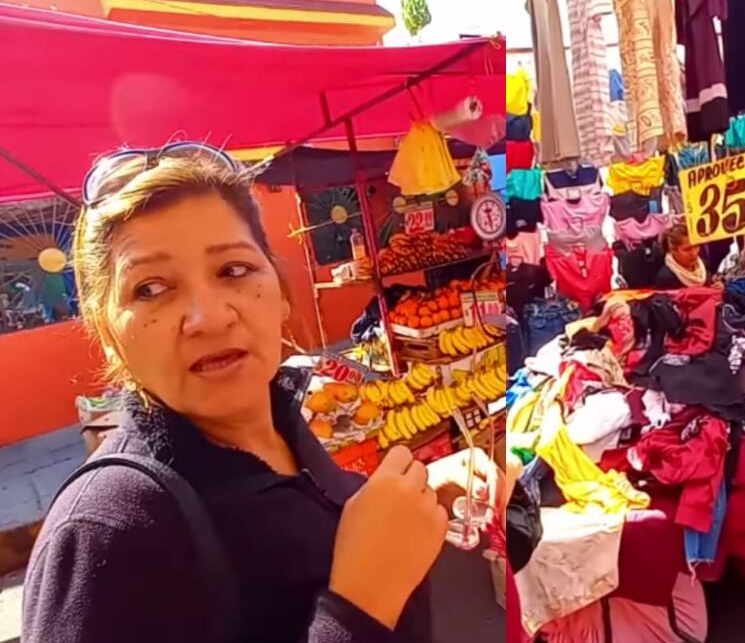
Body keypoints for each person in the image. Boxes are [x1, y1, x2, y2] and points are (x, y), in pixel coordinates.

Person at [22, 145, 499, 643]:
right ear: (105, 328)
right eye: (150, 289)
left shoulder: (282, 427)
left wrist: (413, 490)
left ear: (280, 289)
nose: (210, 317)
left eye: (233, 270)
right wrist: (359, 605)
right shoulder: (106, 533)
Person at [654, 223, 713, 290]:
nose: (694, 253)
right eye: (687, 249)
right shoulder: (665, 278)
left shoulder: (705, 266)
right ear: (672, 250)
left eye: (696, 246)